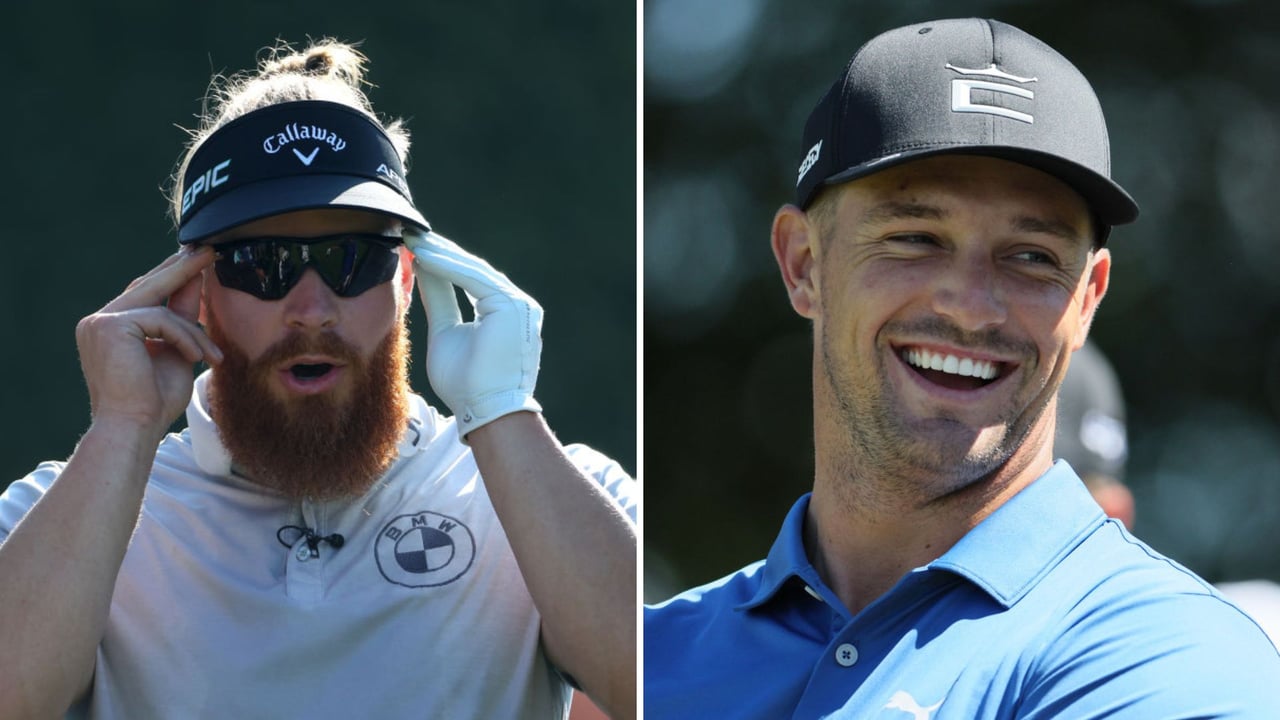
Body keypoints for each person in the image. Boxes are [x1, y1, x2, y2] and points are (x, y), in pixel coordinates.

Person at [644, 17, 1278, 718]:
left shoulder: (1167, 655)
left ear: (1088, 297)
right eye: (916, 238)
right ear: (804, 264)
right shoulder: (645, 661)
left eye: (1032, 255)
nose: (974, 308)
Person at [0, 40, 636, 719]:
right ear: (196, 290)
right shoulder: (60, 513)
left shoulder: (552, 491)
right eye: (262, 263)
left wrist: (504, 412)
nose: (311, 310)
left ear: (408, 279)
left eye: (352, 258)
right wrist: (122, 426)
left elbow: (661, 686)